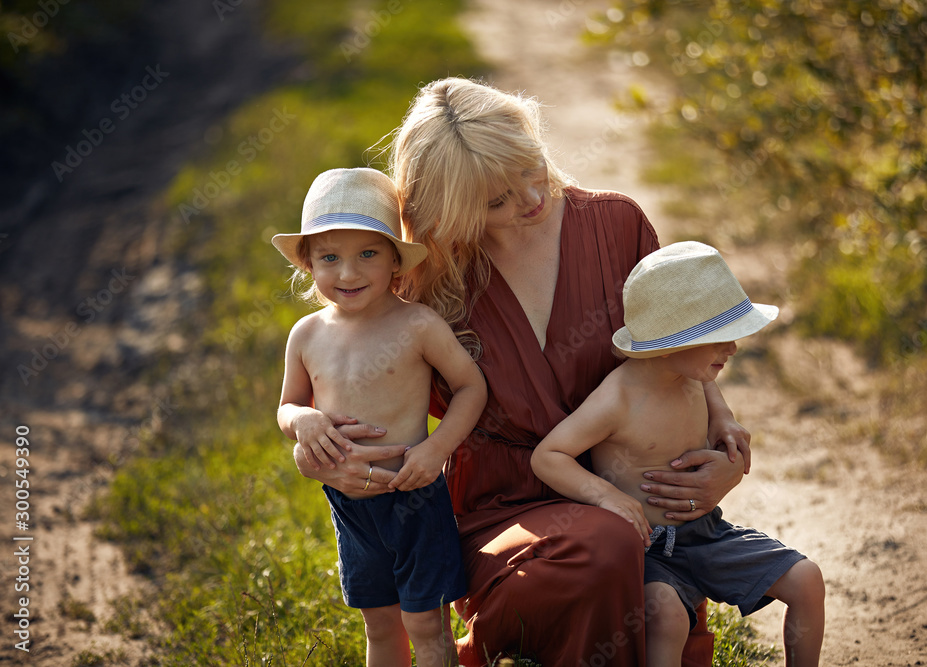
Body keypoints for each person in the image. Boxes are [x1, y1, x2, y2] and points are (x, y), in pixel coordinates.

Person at [293, 77, 748, 666]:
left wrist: (725, 463)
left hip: (636, 487)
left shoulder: (617, 226)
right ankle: (498, 637)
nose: (531, 199)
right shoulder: (430, 276)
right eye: (495, 201)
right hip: (505, 506)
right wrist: (320, 453)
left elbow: (683, 356)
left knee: (637, 571)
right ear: (451, 210)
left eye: (530, 170)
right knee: (602, 549)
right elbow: (354, 388)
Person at [532, 242, 825, 666]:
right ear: (672, 343)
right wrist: (606, 496)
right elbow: (548, 455)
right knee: (666, 616)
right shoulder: (618, 398)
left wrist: (723, 418)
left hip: (706, 533)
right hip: (649, 550)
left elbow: (707, 388)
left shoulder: (690, 371)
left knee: (807, 579)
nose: (733, 350)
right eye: (720, 339)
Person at [273, 167, 487, 667]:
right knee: (380, 627)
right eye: (330, 258)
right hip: (350, 507)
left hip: (414, 498)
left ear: (395, 258)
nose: (348, 274)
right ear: (308, 263)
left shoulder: (417, 324)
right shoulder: (306, 335)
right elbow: (287, 405)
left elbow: (470, 387)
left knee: (426, 626)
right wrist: (301, 420)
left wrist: (437, 448)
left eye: (367, 254)